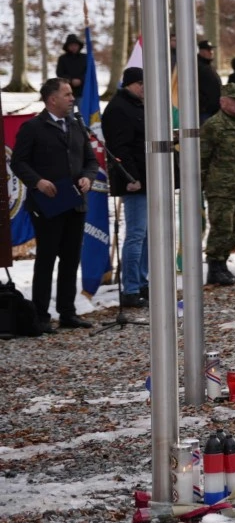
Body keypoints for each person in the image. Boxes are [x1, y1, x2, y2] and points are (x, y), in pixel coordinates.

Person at [10, 78, 99, 331]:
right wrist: (37, 182)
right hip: (47, 204)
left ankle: (68, 313)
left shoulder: (76, 125)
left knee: (70, 259)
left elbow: (91, 161)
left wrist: (87, 178)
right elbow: (18, 162)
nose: (73, 98)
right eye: (68, 94)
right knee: (46, 259)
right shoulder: (33, 127)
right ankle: (40, 315)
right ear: (52, 99)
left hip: (75, 202)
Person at [102, 67, 149, 308]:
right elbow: (120, 148)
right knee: (136, 234)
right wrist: (131, 177)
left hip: (148, 178)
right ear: (129, 84)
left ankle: (143, 282)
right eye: (140, 83)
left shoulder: (139, 105)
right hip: (134, 181)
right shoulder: (119, 108)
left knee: (148, 236)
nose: (144, 87)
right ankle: (130, 288)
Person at [200, 83, 235, 286]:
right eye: (234, 99)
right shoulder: (214, 125)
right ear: (223, 101)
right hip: (219, 187)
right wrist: (202, 184)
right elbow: (203, 157)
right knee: (221, 229)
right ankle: (214, 268)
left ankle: (223, 266)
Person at [197, 40, 223, 124]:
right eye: (208, 50)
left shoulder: (208, 66)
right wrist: (204, 104)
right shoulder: (198, 66)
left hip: (214, 110)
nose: (211, 52)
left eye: (211, 50)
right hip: (205, 111)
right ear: (201, 51)